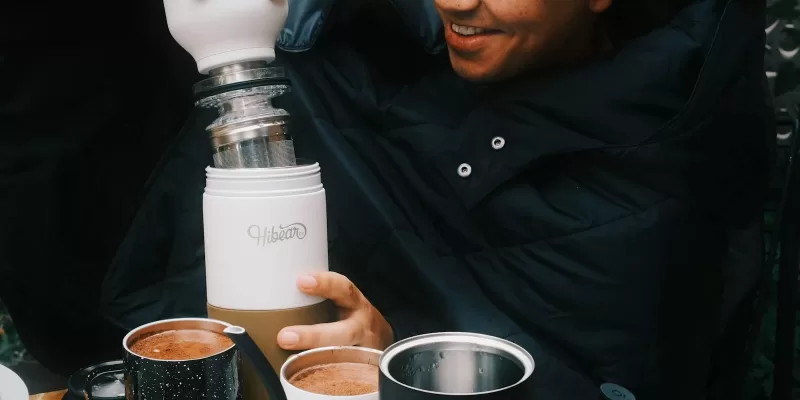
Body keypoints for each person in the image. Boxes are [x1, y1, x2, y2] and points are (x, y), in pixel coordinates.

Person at [0, 0, 772, 399]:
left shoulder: (659, 164)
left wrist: (406, 354)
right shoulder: (370, 53)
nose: (458, 3)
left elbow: (611, 369)